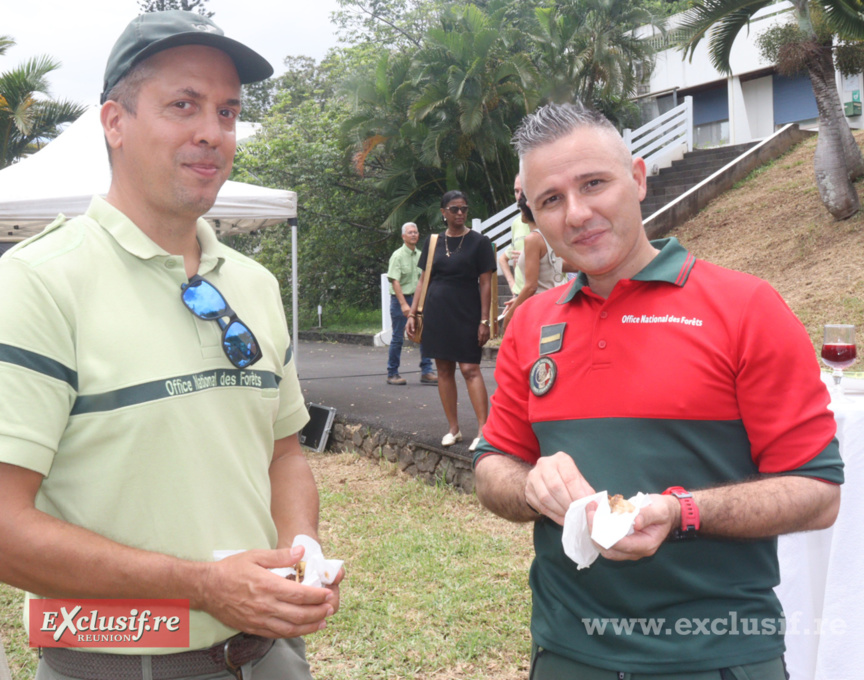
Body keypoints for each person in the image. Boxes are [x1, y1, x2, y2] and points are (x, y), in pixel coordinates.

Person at [0, 11, 343, 680]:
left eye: (227, 111)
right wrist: (201, 584)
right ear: (114, 122)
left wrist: (300, 547)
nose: (211, 133)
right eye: (183, 104)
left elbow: (284, 457)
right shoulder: (36, 285)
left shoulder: (255, 283)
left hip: (270, 655)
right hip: (117, 659)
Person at [472, 102, 843, 678]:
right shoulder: (530, 323)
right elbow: (493, 467)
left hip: (717, 655)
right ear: (534, 218)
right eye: (550, 200)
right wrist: (529, 486)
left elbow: (818, 494)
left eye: (593, 183)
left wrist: (682, 512)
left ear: (639, 179)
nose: (577, 213)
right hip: (566, 653)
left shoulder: (746, 308)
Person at [406, 190, 496, 452]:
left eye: (464, 209)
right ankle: (453, 429)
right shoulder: (433, 242)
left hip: (467, 313)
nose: (460, 213)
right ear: (443, 212)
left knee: (470, 369)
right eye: (454, 209)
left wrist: (484, 321)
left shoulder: (479, 242)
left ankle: (483, 430)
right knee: (444, 370)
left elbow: (486, 283)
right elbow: (423, 280)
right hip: (437, 314)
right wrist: (413, 313)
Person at [499, 193, 568, 334]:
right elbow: (555, 266)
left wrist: (510, 315)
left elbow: (531, 286)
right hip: (555, 303)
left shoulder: (533, 239)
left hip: (541, 307)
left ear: (525, 212)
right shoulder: (549, 235)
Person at [386, 222, 436, 386]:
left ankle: (427, 371)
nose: (413, 234)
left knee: (426, 335)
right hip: (402, 300)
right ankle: (392, 373)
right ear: (403, 236)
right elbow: (395, 281)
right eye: (410, 232)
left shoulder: (421, 255)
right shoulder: (398, 255)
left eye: (415, 232)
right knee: (398, 338)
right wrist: (403, 305)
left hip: (419, 300)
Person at [496, 175, 532, 298]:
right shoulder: (516, 223)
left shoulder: (547, 220)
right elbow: (504, 259)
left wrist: (533, 257)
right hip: (520, 294)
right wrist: (513, 286)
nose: (519, 196)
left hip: (546, 293)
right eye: (516, 191)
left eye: (524, 191)